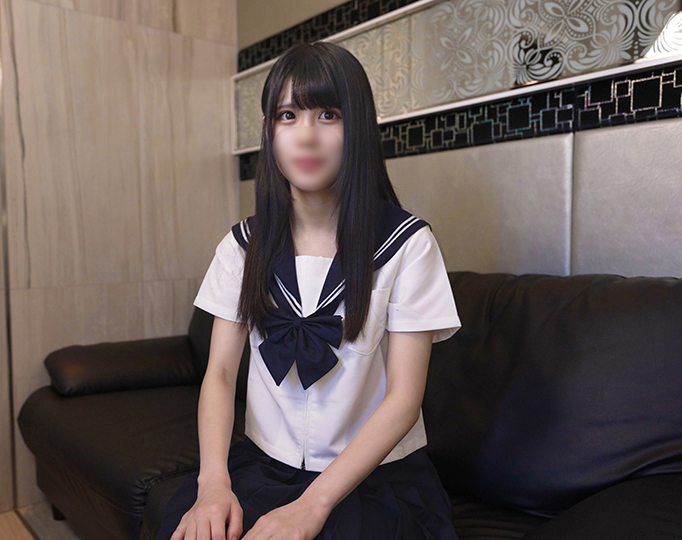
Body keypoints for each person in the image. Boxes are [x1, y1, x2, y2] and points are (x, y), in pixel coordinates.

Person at [158, 40, 462, 540]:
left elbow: (405, 399)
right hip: (263, 463)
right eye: (287, 115)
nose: (305, 136)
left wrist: (311, 506)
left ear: (357, 128)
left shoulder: (408, 245)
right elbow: (220, 373)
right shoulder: (242, 247)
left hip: (370, 477)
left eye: (328, 115)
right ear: (269, 131)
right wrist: (212, 483)